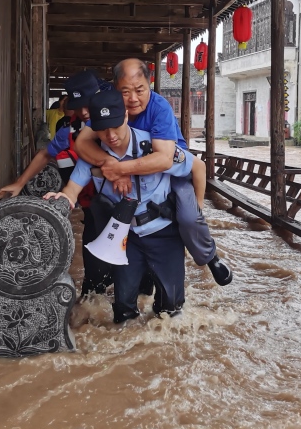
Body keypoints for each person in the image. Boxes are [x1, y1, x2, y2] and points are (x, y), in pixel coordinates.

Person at [73, 58, 232, 287]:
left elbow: (165, 159)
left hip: (168, 172)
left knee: (189, 216)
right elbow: (82, 143)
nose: (133, 99)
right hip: (129, 174)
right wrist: (112, 164)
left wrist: (121, 169)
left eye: (140, 90)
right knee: (105, 212)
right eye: (125, 92)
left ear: (150, 84)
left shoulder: (159, 107)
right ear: (115, 89)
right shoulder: (110, 106)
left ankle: (209, 257)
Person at [45, 90, 191, 323]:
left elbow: (193, 168)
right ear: (93, 126)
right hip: (125, 239)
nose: (110, 135)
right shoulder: (92, 156)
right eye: (102, 129)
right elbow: (72, 189)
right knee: (123, 309)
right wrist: (60, 198)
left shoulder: (155, 147)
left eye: (115, 126)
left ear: (125, 116)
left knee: (171, 309)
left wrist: (196, 218)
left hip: (164, 235)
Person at [0, 71, 114, 297]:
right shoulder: (71, 128)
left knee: (130, 273)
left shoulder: (114, 123)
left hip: (121, 205)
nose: (83, 112)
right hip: (92, 206)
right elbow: (46, 154)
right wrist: (19, 183)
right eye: (78, 106)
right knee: (93, 276)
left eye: (87, 105)